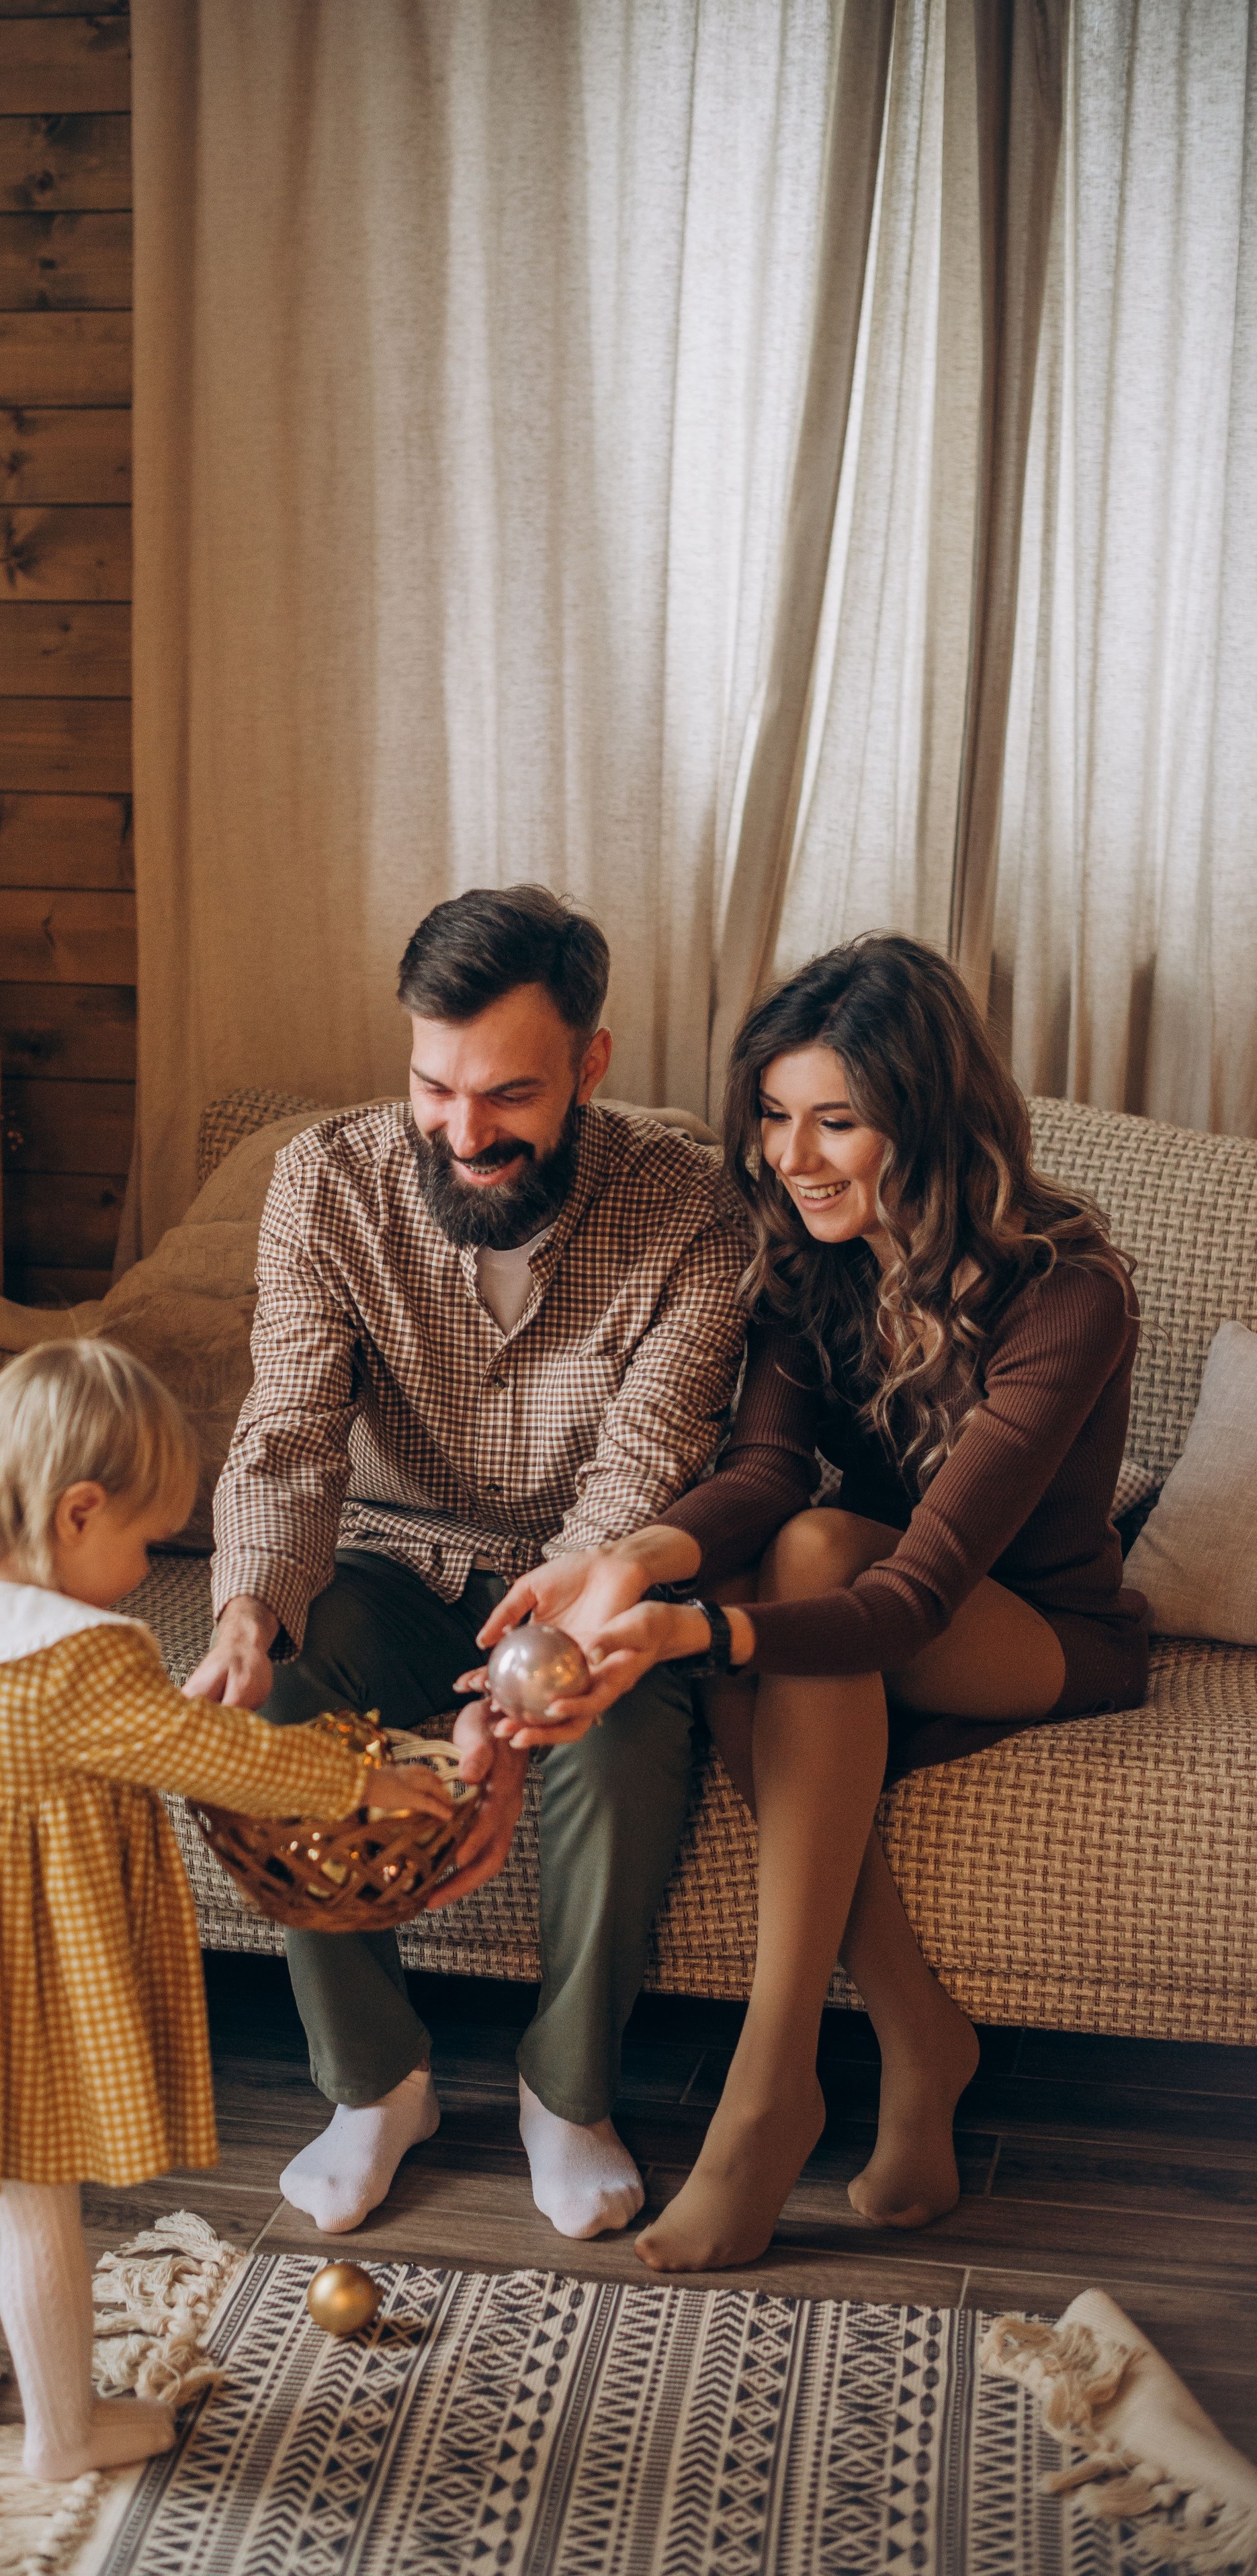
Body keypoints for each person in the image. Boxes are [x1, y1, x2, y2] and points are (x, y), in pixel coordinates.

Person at [474, 933, 1147, 2272]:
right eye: (774, 1118)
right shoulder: (806, 1257)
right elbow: (761, 1466)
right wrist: (632, 1565)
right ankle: (913, 2033)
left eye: (836, 1120)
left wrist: (695, 1633)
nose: (793, 1156)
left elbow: (913, 1590)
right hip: (871, 1604)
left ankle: (766, 2098)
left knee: (812, 1556)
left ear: (929, 1115)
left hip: (1038, 1634)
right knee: (752, 1546)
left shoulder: (1067, 1292)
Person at [185, 885, 751, 2240]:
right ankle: (375, 2084)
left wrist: (517, 1681)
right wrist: (252, 1607)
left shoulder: (695, 1213)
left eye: (505, 1093)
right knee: (269, 1703)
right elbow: (288, 1432)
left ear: (589, 1064)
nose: (464, 1129)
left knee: (613, 1741)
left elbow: (638, 1468)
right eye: (434, 1086)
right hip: (380, 1558)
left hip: (584, 1574)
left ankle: (566, 2093)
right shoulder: (323, 1180)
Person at [0, 1339, 454, 2481]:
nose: (150, 1559)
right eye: (146, 1539)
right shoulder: (84, 1660)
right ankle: (66, 2432)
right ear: (77, 1513)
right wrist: (366, 1778)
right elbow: (222, 1756)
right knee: (33, 2205)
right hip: (17, 1968)